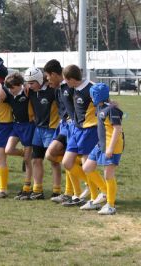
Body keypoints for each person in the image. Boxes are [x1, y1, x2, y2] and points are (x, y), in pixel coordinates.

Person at [62, 65, 108, 210]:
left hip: (89, 130)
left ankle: (96, 197)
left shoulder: (92, 88)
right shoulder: (72, 88)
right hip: (77, 130)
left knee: (87, 164)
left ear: (71, 79)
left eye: (66, 80)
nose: (65, 83)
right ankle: (96, 188)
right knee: (67, 162)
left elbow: (105, 103)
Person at [43, 59, 87, 206]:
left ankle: (74, 192)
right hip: (64, 127)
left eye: (48, 77)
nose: (47, 80)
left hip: (74, 127)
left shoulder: (71, 86)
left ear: (55, 74)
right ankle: (76, 188)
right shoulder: (59, 88)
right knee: (51, 154)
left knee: (66, 159)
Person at [83, 83, 124, 215]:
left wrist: (110, 148)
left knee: (108, 174)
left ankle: (110, 205)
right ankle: (104, 193)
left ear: (97, 96)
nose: (90, 97)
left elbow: (118, 129)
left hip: (112, 146)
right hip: (100, 145)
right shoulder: (99, 107)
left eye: (92, 95)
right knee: (87, 168)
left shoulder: (111, 109)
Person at [24, 67, 61, 200]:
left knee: (54, 161)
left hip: (51, 130)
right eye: (27, 83)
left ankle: (57, 191)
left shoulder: (52, 91)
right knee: (36, 160)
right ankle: (37, 190)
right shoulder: (31, 91)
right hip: (38, 130)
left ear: (40, 80)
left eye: (32, 83)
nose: (29, 85)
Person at [3, 73, 35, 200]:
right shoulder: (10, 95)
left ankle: (27, 187)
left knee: (27, 161)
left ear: (20, 85)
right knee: (8, 150)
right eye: (9, 88)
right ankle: (25, 154)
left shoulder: (27, 93)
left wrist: (28, 85)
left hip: (28, 126)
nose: (11, 90)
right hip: (16, 126)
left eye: (13, 88)